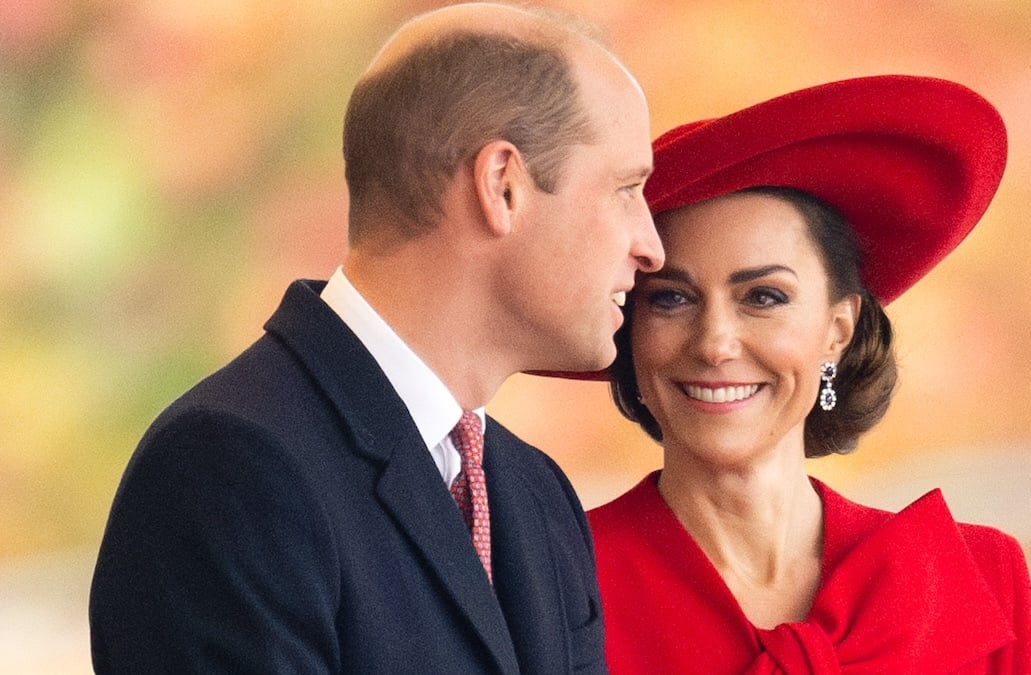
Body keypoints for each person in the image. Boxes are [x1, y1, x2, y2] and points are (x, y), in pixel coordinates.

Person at [89, 3, 663, 673]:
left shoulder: (538, 498)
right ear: (502, 185)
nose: (650, 247)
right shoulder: (229, 470)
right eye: (627, 189)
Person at [588, 75, 1031, 673]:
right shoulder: (551, 581)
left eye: (765, 297)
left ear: (839, 328)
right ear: (631, 328)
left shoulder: (974, 578)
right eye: (671, 299)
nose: (716, 343)